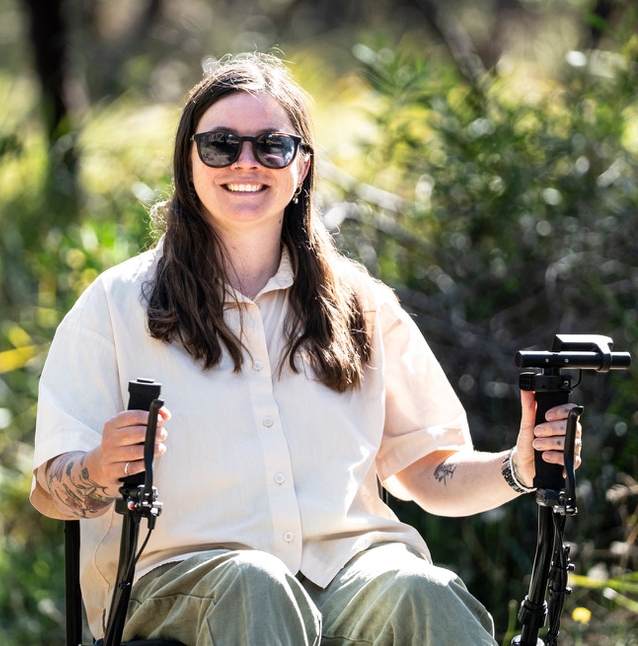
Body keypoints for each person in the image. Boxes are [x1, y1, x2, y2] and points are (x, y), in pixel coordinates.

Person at [30, 52, 582, 646]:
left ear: (302, 166)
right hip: (178, 586)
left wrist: (519, 466)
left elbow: (425, 470)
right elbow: (50, 491)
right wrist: (98, 469)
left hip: (348, 577)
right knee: (255, 582)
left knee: (425, 592)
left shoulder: (360, 304)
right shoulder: (114, 305)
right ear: (188, 159)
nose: (247, 162)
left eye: (272, 146)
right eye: (220, 145)